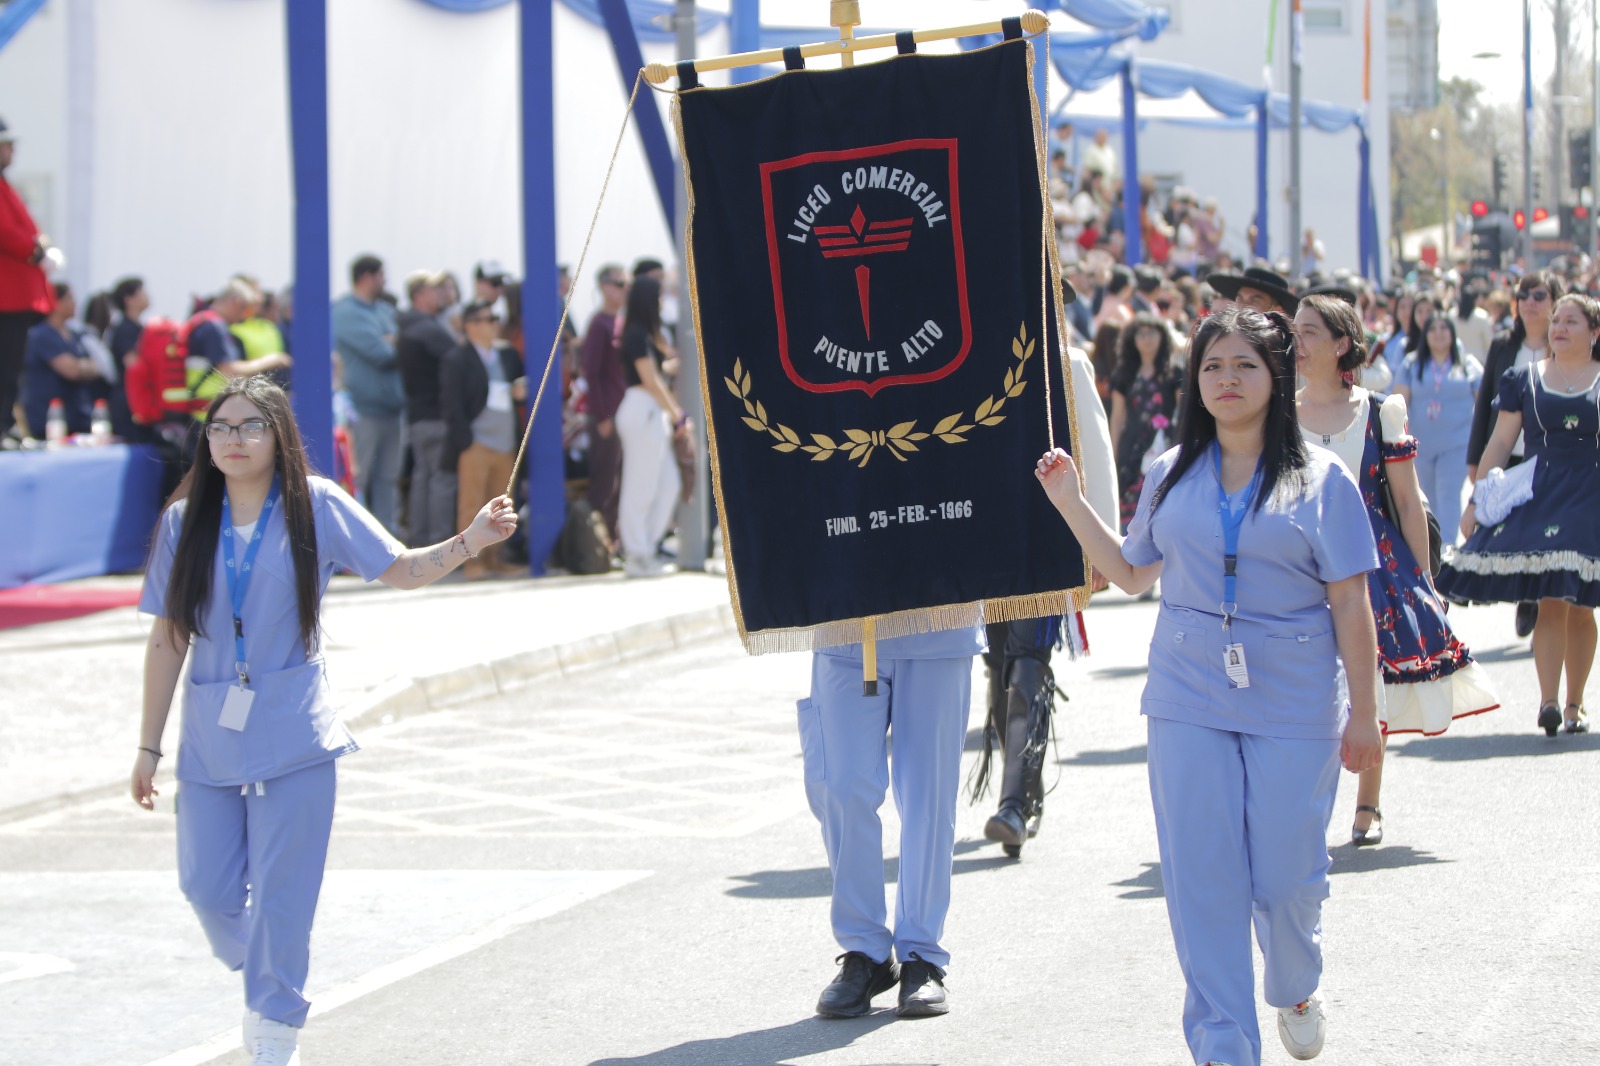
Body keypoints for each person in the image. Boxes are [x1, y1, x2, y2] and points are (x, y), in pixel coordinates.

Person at [130, 375, 517, 1066]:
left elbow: (398, 568)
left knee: (284, 892)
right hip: (210, 732)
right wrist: (147, 746)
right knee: (206, 888)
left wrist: (471, 540)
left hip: (296, 730)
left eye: (250, 426)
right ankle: (269, 972)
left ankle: (275, 1029)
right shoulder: (181, 523)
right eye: (220, 428)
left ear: (278, 436)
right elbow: (167, 639)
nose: (234, 439)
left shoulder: (317, 505)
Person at [1037, 305, 1383, 1066]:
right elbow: (1130, 575)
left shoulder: (1323, 481)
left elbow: (1351, 601)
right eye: (1213, 366)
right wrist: (1070, 503)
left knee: (1288, 879)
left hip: (1294, 700)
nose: (1227, 379)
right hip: (1189, 695)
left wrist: (1366, 712)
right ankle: (1223, 1046)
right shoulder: (1169, 471)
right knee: (1202, 880)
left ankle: (1294, 983)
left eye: (1245, 366)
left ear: (1276, 377)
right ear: (1197, 382)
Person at [1295, 294, 1497, 847]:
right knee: (1303, 679)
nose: (1297, 341)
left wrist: (1424, 581)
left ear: (1341, 342)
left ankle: (1367, 802)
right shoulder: (1280, 413)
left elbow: (1408, 504)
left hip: (1370, 561)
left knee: (1370, 681)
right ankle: (1304, 802)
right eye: (1296, 331)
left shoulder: (1382, 410)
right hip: (1296, 561)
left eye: (1310, 331)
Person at [971, 283, 1119, 857]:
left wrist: (1102, 544)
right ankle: (1017, 791)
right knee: (999, 660)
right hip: (988, 536)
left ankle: (1014, 802)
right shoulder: (975, 356)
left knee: (1028, 660)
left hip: (1049, 536)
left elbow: (1098, 455)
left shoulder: (1067, 362)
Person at [1440, 293, 1600, 737]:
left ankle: (1575, 704)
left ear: (1594, 332)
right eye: (1556, 321)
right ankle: (1549, 702)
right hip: (1543, 492)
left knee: (1583, 606)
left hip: (1591, 495)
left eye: (1572, 320)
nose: (1560, 327)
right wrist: (1475, 500)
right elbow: (1499, 442)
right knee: (1550, 601)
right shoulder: (1525, 379)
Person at [1467, 270, 1560, 640]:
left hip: (1552, 459)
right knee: (1518, 536)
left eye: (1539, 295)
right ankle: (1528, 595)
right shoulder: (1504, 344)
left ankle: (1538, 599)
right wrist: (1476, 459)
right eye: (1524, 296)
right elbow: (1486, 403)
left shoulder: (1566, 345)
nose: (1530, 303)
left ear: (1555, 300)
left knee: (1546, 536)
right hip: (1510, 459)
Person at [440, 299, 527, 579]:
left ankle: (497, 558)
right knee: (472, 505)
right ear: (471, 326)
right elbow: (452, 405)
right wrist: (466, 441)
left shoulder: (506, 354)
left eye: (495, 318)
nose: (495, 324)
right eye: (489, 319)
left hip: (505, 442)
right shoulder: (457, 358)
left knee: (502, 506)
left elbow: (515, 383)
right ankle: (472, 563)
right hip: (476, 443)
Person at [614, 275, 686, 578]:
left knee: (669, 484)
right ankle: (636, 556)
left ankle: (647, 548)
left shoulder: (644, 334)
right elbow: (650, 380)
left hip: (651, 411)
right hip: (642, 409)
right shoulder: (634, 334)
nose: (661, 303)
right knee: (639, 487)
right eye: (657, 298)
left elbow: (657, 373)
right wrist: (678, 414)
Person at [332, 255, 404, 535]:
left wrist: (393, 342)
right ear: (367, 277)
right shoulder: (344, 312)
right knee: (359, 478)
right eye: (382, 275)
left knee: (388, 479)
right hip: (362, 412)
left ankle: (388, 540)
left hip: (393, 409)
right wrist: (390, 342)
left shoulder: (384, 310)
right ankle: (354, 542)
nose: (385, 281)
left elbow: (400, 345)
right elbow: (382, 353)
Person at [1394, 314, 1483, 539]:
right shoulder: (1413, 363)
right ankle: (1431, 553)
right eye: (1433, 328)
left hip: (1456, 444)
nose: (1439, 333)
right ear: (1426, 335)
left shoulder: (1467, 364)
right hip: (1421, 445)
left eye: (1445, 328)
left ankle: (1448, 551)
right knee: (1426, 499)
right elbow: (1399, 400)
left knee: (1448, 496)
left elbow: (1482, 403)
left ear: (1453, 334)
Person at [0, 116, 55, 441]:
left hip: (14, 296)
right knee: (5, 367)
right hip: (6, 297)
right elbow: (7, 232)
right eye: (7, 146)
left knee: (11, 368)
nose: (12, 151)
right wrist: (35, 249)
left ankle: (6, 425)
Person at [396, 270, 459, 548]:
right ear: (420, 295)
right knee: (441, 480)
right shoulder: (428, 330)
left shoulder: (407, 327)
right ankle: (440, 544)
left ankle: (422, 541)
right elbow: (457, 360)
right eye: (435, 290)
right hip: (436, 416)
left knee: (423, 478)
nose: (441, 295)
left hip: (418, 417)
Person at [1109, 313, 1184, 532]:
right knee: (1131, 506)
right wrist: (1113, 453)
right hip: (1132, 446)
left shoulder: (1173, 373)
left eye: (1151, 332)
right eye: (1140, 333)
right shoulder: (1125, 374)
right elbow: (1117, 417)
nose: (1146, 338)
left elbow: (1182, 411)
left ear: (1162, 336)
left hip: (1165, 444)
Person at [580, 264, 629, 543]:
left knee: (619, 481)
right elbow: (592, 373)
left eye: (626, 284)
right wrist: (602, 416)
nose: (623, 289)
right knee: (604, 483)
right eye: (618, 283)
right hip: (607, 415)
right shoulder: (599, 323)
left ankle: (612, 541)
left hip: (622, 414)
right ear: (603, 286)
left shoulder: (620, 321)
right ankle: (596, 543)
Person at [20, 281, 100, 437]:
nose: (74, 303)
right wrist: (82, 367)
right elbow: (71, 371)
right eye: (69, 298)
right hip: (49, 423)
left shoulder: (75, 334)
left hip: (79, 417)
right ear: (54, 302)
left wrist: (80, 366)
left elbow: (96, 367)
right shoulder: (42, 335)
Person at [1206, 266, 1300, 317]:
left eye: (1254, 301)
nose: (1243, 307)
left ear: (1277, 311)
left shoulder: (1286, 351)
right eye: (1240, 299)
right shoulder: (1223, 347)